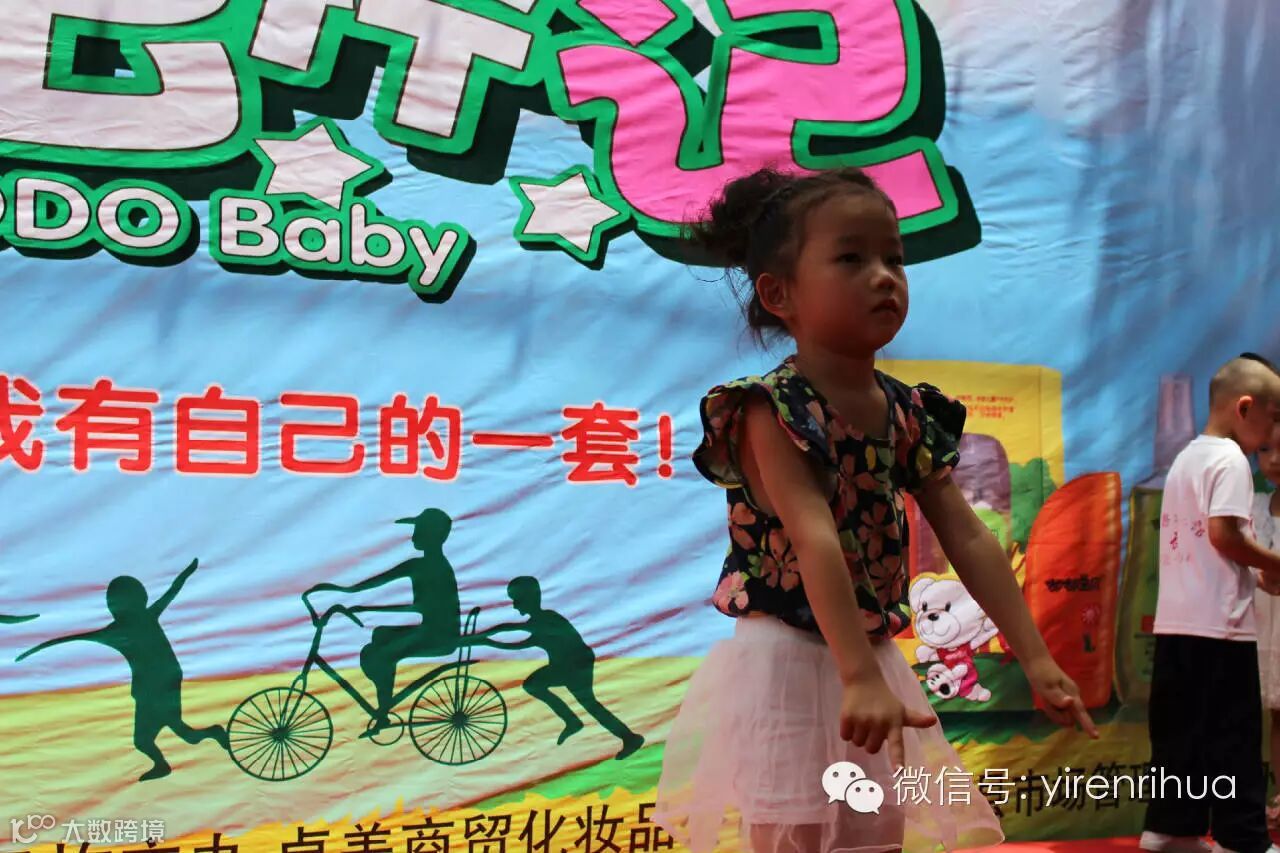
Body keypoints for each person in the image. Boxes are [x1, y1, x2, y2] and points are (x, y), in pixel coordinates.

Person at [652, 166, 1096, 853]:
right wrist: (856, 674)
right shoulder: (771, 408)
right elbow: (814, 538)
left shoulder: (907, 410)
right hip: (791, 661)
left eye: (894, 257)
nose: (884, 276)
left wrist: (1035, 656)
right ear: (779, 294)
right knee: (797, 832)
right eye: (851, 258)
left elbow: (967, 536)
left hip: (871, 660)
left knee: (876, 834)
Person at [1142, 353, 1280, 853]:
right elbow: (1225, 535)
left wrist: (1254, 569)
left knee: (1180, 734)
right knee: (1233, 735)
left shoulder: (1187, 457)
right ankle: (1242, 839)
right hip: (1221, 627)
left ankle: (1170, 829)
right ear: (1244, 408)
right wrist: (1275, 563)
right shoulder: (1231, 460)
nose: (1271, 434)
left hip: (1176, 624)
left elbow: (1209, 543)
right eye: (1272, 417)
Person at [15, 559, 228, 781]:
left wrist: (187, 572)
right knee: (169, 734)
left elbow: (69, 639)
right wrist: (187, 572)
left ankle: (181, 752)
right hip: (159, 682)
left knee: (149, 739)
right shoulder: (135, 621)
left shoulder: (125, 626)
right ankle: (191, 746)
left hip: (159, 684)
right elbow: (173, 589)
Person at [304, 508, 461, 737]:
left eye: (419, 530)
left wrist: (366, 607)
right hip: (431, 629)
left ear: (432, 535)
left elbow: (421, 608)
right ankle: (383, 701)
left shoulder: (433, 567)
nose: (414, 536)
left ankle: (383, 713)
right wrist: (343, 591)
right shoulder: (421, 565)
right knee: (380, 635)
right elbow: (377, 582)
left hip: (439, 635)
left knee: (381, 654)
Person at [477, 576, 644, 759]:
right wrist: (482, 640)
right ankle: (578, 722)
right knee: (537, 686)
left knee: (587, 703)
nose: (515, 606)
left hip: (574, 665)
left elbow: (510, 631)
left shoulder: (546, 619)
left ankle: (625, 736)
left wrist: (481, 640)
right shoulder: (540, 621)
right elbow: (515, 638)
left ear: (531, 597)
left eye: (517, 600)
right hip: (564, 665)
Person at [1252, 437, 1280, 830]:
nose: (1275, 460)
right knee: (1277, 714)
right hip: (1265, 627)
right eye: (1265, 449)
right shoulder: (1253, 507)